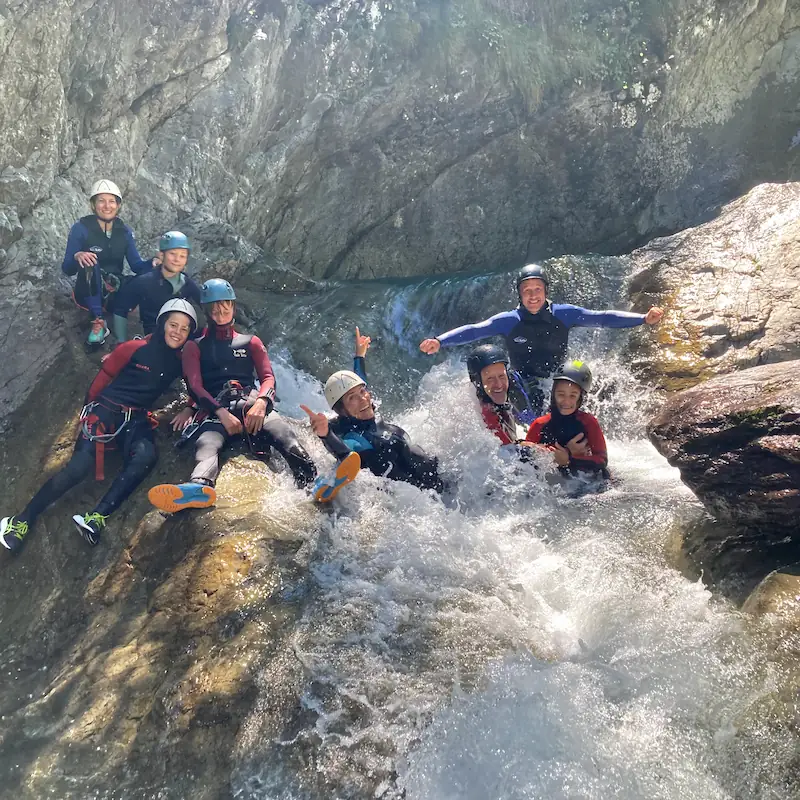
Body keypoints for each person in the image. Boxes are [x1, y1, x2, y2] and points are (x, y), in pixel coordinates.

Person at [0, 299, 198, 553]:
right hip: (106, 410)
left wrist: (189, 407)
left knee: (146, 457)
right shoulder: (135, 348)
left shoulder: (179, 362)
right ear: (162, 324)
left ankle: (96, 518)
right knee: (79, 467)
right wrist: (89, 411)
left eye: (184, 329)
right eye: (173, 325)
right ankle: (21, 520)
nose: (177, 332)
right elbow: (104, 376)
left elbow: (195, 385)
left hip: (135, 419)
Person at [147, 279, 317, 513]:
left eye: (225, 304)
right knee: (208, 443)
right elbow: (195, 387)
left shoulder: (250, 342)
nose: (220, 310)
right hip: (216, 409)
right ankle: (198, 487)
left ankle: (313, 484)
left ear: (233, 306)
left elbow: (268, 377)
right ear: (206, 310)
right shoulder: (194, 347)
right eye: (214, 307)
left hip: (251, 404)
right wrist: (221, 413)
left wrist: (261, 402)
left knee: (284, 434)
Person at [419, 263, 664, 421]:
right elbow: (475, 330)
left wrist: (643, 319)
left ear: (546, 291)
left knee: (578, 375)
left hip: (555, 377)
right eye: (527, 290)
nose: (533, 295)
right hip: (523, 379)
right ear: (520, 294)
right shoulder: (509, 320)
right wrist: (440, 341)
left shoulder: (563, 314)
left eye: (537, 289)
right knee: (531, 399)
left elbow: (601, 318)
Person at [301, 327, 446, 494]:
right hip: (411, 492)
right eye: (352, 398)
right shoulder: (352, 437)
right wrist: (325, 434)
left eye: (362, 392)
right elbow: (348, 456)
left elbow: (359, 382)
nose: (362, 399)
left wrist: (359, 356)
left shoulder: (359, 412)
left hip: (427, 473)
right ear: (341, 410)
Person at [61, 179, 158, 345]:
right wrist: (77, 256)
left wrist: (155, 263)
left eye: (112, 201)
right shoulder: (81, 228)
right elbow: (67, 269)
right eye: (101, 201)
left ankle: (153, 329)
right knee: (90, 260)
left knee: (148, 280)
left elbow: (137, 266)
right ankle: (98, 322)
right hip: (87, 291)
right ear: (93, 205)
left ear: (118, 205)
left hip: (114, 291)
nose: (107, 206)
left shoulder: (124, 231)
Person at [524, 359, 610, 480]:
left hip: (584, 483)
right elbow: (525, 459)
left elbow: (602, 460)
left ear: (580, 398)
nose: (566, 401)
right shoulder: (540, 424)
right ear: (553, 394)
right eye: (561, 394)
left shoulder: (588, 422)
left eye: (573, 395)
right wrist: (551, 456)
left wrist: (569, 459)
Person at [112, 231, 202, 341]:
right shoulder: (144, 281)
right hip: (152, 340)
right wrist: (121, 343)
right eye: (172, 254)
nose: (177, 259)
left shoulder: (188, 284)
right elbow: (121, 310)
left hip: (179, 339)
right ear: (161, 255)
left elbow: (206, 306)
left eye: (182, 256)